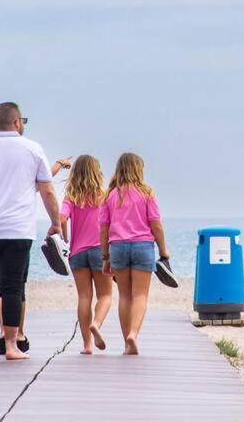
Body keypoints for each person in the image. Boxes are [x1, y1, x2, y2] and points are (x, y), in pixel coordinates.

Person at [0, 102, 65, 360]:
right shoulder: (32, 149)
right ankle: (10, 345)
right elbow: (48, 190)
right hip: (18, 229)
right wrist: (56, 222)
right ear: (17, 122)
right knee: (12, 287)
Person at [99, 152, 170, 356]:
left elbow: (103, 228)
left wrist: (105, 257)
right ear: (138, 169)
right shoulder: (146, 193)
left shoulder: (111, 195)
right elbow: (156, 225)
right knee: (140, 295)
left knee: (124, 296)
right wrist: (164, 251)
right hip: (142, 246)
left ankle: (126, 344)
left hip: (118, 247)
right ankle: (134, 334)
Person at [59, 155, 113, 354]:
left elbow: (61, 219)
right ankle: (96, 324)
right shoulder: (104, 196)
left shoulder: (71, 197)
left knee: (84, 297)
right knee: (105, 295)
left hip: (78, 253)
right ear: (96, 172)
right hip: (100, 250)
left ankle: (86, 345)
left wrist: (65, 238)